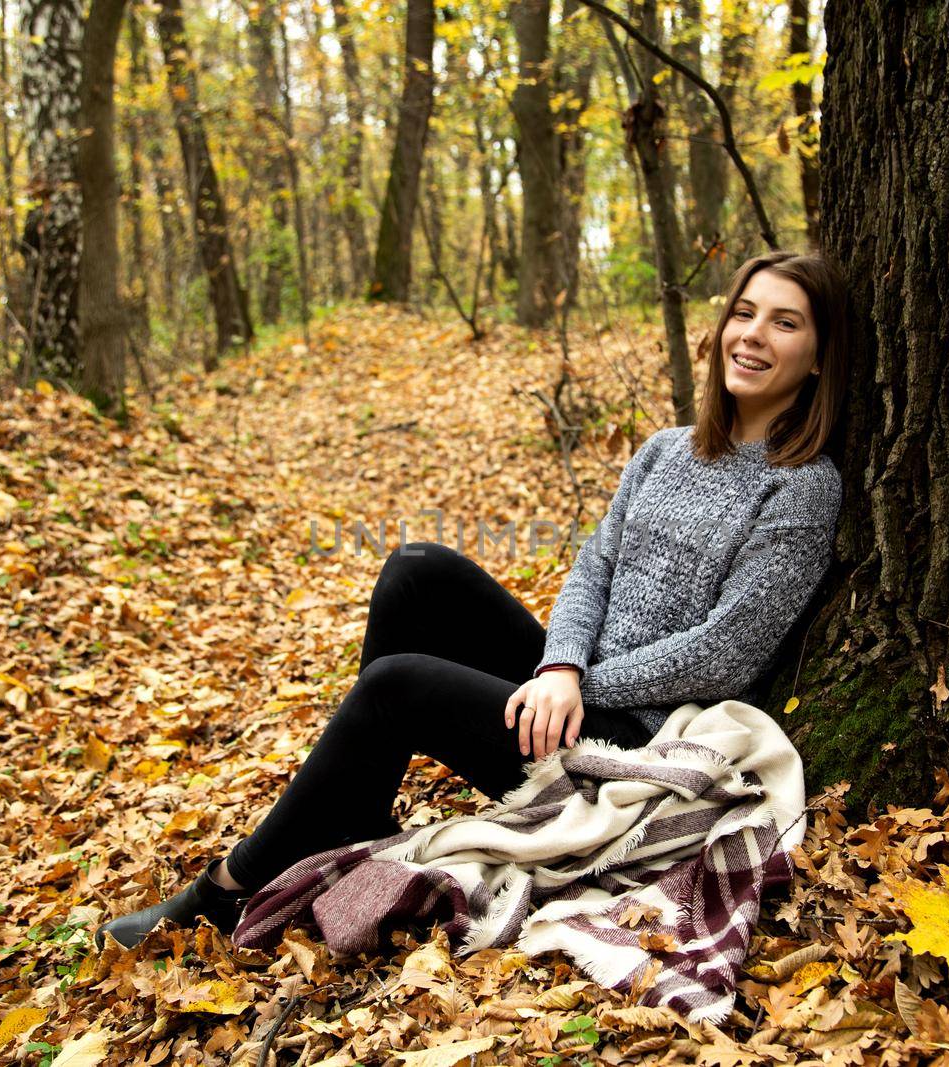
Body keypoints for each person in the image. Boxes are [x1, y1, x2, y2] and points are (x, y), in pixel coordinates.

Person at [96, 250, 849, 950]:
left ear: (817, 358)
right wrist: (559, 664)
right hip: (571, 691)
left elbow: (727, 652)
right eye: (744, 313)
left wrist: (582, 684)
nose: (752, 335)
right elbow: (594, 566)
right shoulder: (664, 448)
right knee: (417, 569)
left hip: (629, 740)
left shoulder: (803, 484)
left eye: (784, 323)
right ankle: (359, 810)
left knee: (396, 685)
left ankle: (224, 889)